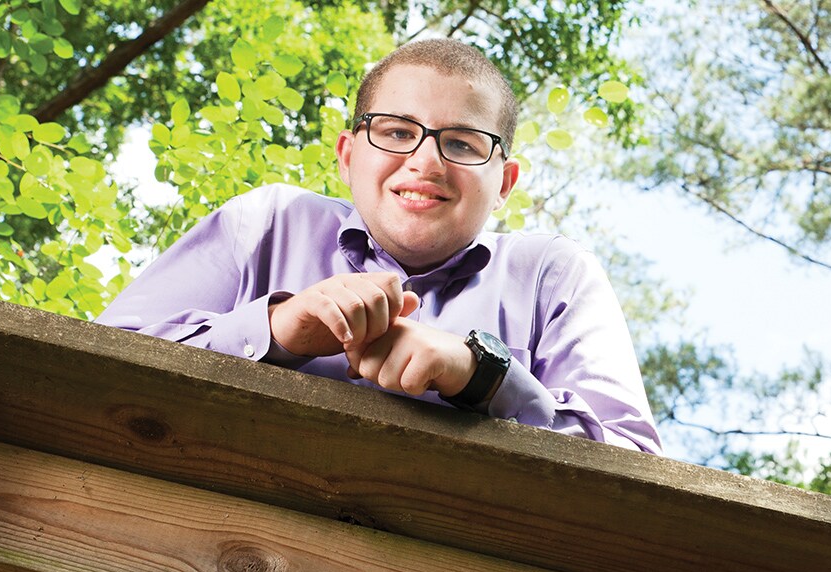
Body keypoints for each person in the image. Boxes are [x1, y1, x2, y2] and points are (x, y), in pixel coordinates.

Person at [98, 39, 661, 454]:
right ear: (347, 155)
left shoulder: (554, 276)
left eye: (463, 143)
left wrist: (482, 378)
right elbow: (98, 363)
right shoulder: (265, 223)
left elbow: (636, 466)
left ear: (505, 182)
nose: (426, 161)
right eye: (396, 132)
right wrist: (273, 330)